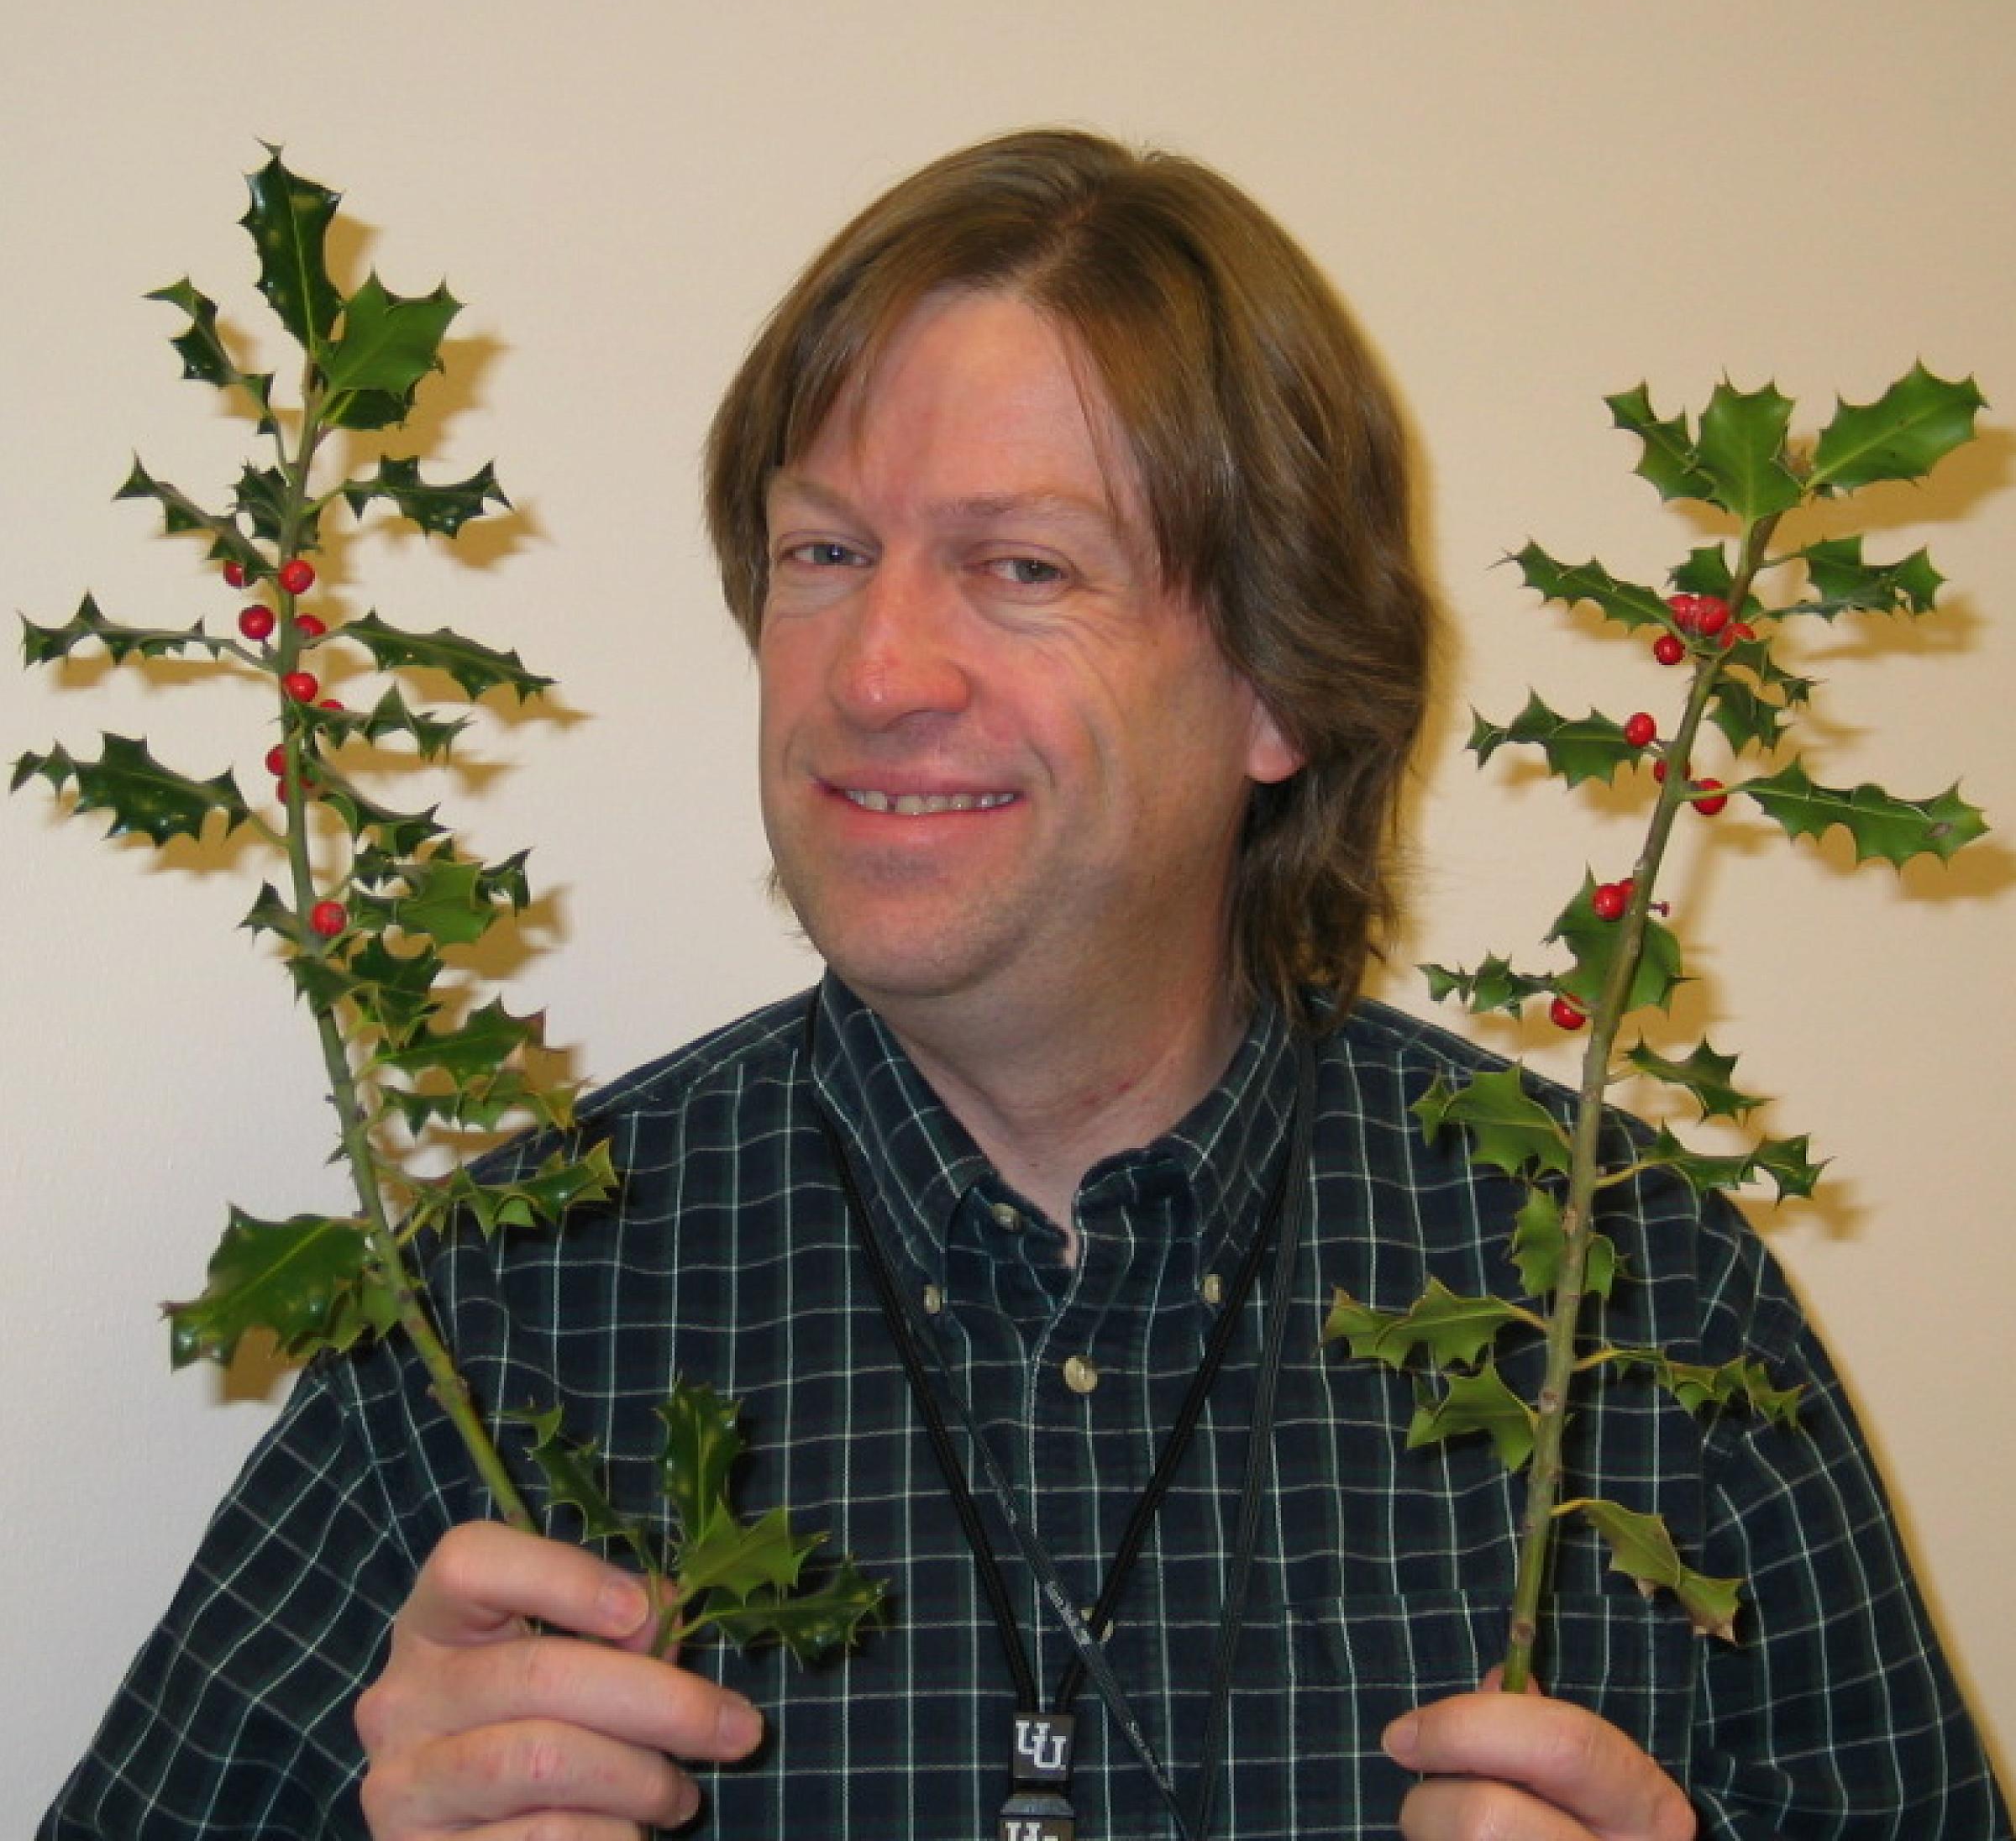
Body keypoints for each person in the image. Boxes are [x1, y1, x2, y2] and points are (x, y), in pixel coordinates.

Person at [41, 130, 2008, 1841]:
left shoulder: (1631, 1293)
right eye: (823, 551)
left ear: (1280, 683)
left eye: (1023, 569)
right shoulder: (495, 1313)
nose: (876, 668)